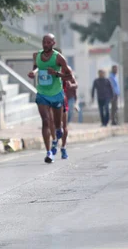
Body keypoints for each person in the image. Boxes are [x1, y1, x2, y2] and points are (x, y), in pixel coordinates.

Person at [27, 34, 72, 164]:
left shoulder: (58, 58)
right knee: (46, 121)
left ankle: (57, 138)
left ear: (53, 43)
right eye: (44, 42)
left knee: (58, 126)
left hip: (57, 94)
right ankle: (49, 152)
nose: (45, 44)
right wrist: (33, 73)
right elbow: (36, 67)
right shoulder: (37, 55)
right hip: (42, 93)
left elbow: (69, 76)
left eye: (48, 42)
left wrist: (56, 73)